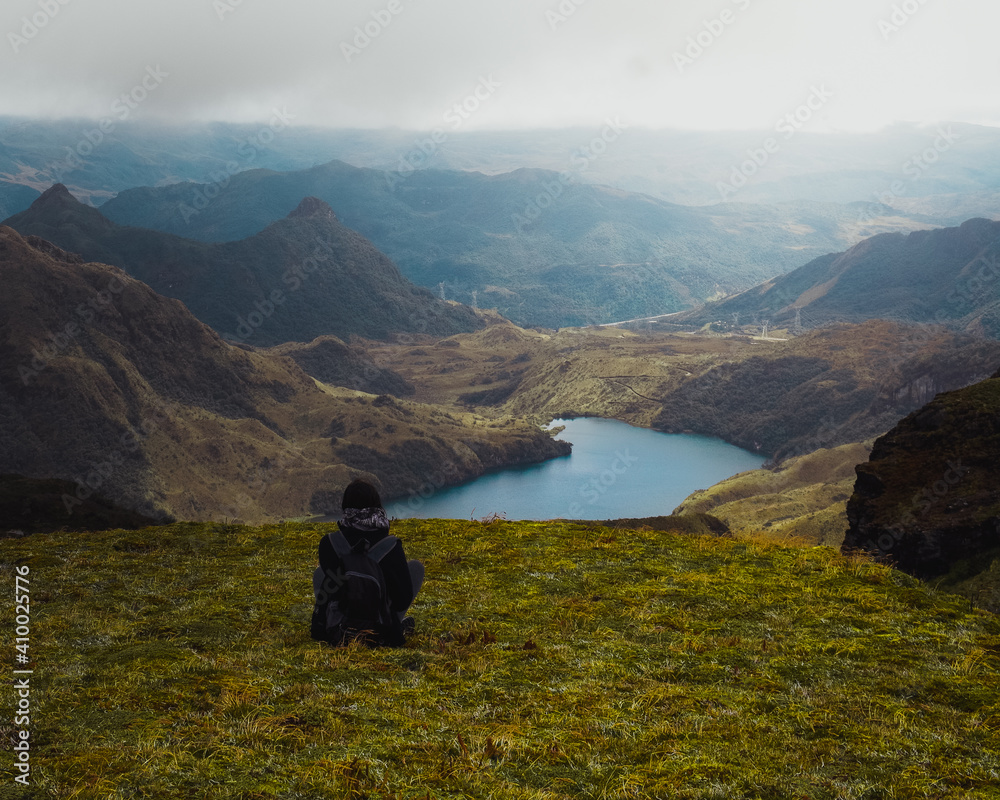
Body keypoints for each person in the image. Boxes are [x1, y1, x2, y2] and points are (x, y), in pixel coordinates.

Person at [312, 479, 424, 645]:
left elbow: (328, 595)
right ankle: (395, 625)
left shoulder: (329, 543)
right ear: (377, 506)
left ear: (345, 507)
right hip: (381, 630)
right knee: (416, 567)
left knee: (320, 573)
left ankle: (336, 624)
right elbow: (402, 599)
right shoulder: (391, 546)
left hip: (339, 630)